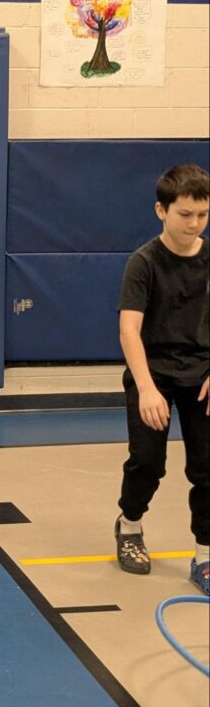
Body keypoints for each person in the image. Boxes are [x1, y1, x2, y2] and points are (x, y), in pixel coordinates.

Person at [115, 162, 209, 595]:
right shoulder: (144, 262)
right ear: (161, 210)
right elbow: (129, 330)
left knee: (208, 468)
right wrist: (148, 389)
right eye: (184, 214)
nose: (193, 224)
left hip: (201, 375)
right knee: (149, 463)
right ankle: (129, 524)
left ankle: (206, 555)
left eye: (202, 215)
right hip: (152, 373)